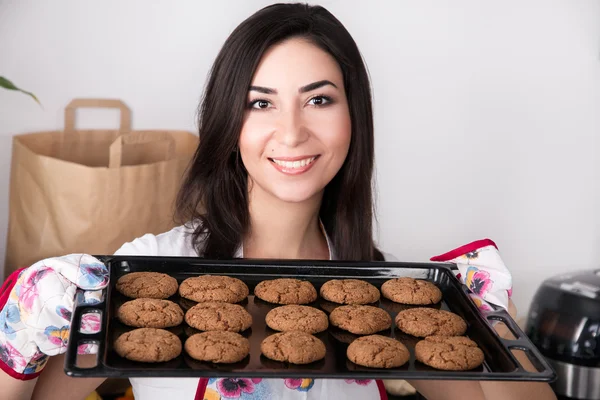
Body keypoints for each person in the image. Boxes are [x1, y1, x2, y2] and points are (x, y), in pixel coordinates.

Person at [1, 3, 557, 400]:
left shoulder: (381, 298)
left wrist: (491, 323)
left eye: (318, 99)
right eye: (260, 104)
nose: (291, 133)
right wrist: (21, 332)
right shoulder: (153, 268)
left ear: (353, 119)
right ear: (228, 124)